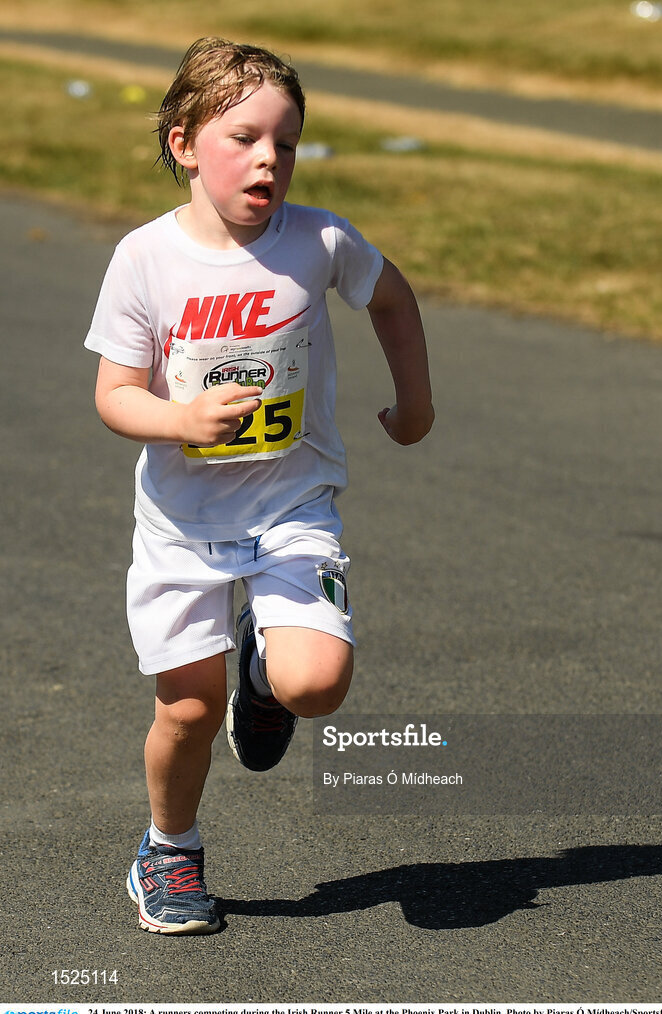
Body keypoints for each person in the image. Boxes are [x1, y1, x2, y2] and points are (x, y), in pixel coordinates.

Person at [85, 36, 434, 935]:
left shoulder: (317, 240)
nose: (268, 159)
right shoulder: (144, 260)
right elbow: (115, 395)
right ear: (184, 143)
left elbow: (391, 299)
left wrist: (416, 403)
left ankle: (269, 675)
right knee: (188, 710)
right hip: (182, 522)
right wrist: (179, 420)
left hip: (291, 504)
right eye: (243, 138)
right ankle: (168, 852)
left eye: (286, 141)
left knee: (316, 682)